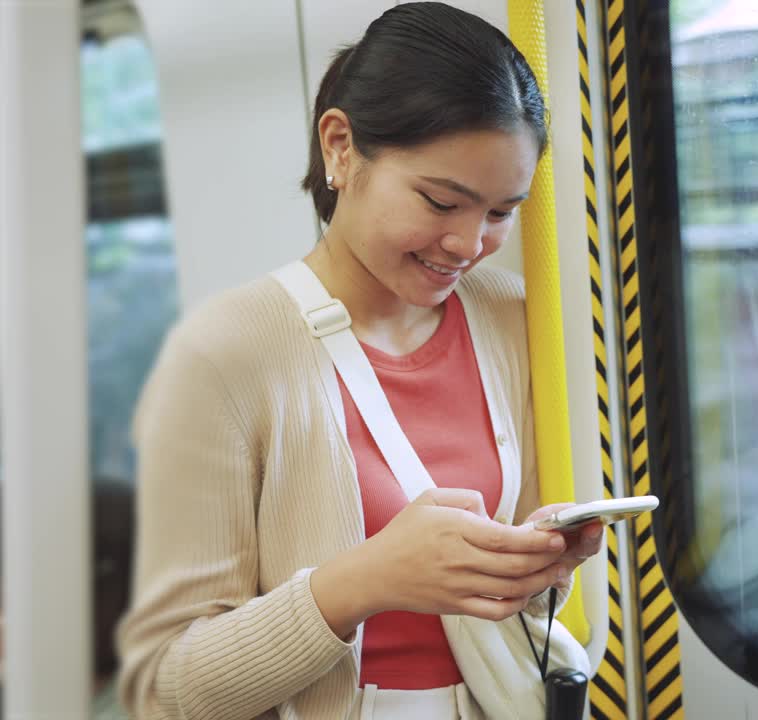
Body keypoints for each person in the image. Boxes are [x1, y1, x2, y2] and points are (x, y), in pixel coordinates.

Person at [115, 3, 603, 718]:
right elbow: (166, 687)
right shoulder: (224, 354)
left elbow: (508, 614)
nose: (469, 245)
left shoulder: (511, 318)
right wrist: (364, 582)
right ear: (340, 147)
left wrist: (533, 571)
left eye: (501, 213)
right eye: (442, 201)